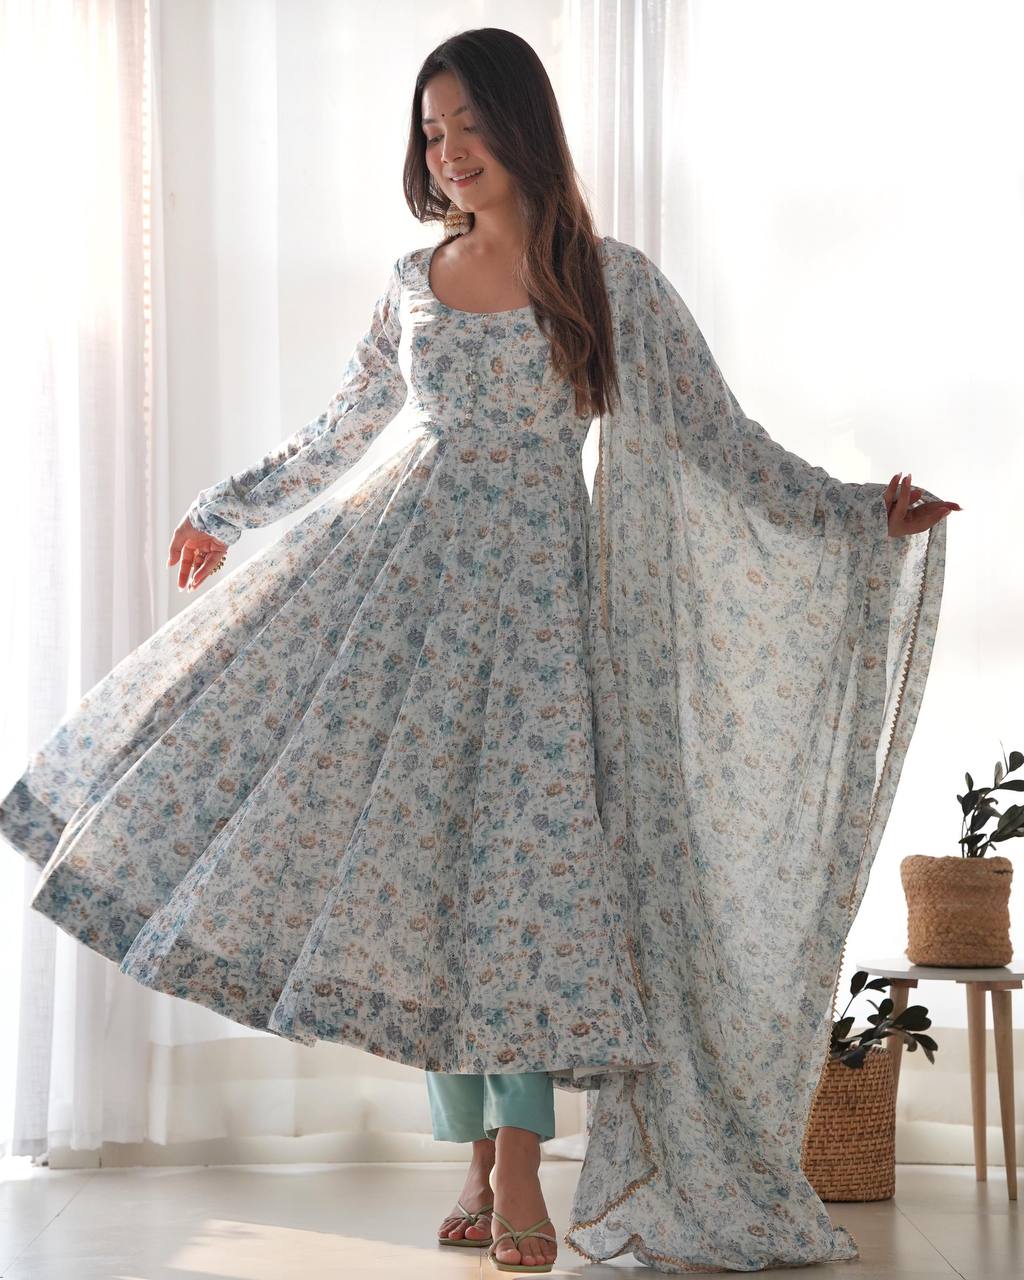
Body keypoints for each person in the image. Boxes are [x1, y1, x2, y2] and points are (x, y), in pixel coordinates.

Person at [0, 26, 956, 1276]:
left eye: (466, 124)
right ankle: (471, 1154)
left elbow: (720, 438)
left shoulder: (608, 281)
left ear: (521, 124)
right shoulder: (412, 277)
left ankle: (516, 1165)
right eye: (430, 130)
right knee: (431, 878)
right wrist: (224, 509)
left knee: (525, 888)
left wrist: (854, 511)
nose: (447, 150)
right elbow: (342, 429)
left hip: (547, 620)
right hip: (402, 595)